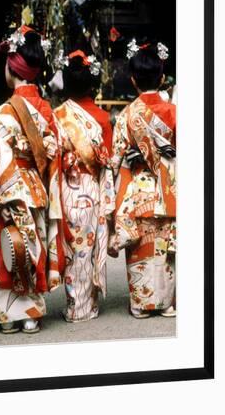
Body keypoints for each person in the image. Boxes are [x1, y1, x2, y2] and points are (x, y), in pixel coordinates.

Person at [0, 26, 65, 334]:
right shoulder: (49, 112)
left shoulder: (3, 112)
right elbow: (55, 154)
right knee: (34, 249)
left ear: (12, 68)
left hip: (9, 190)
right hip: (37, 189)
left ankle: (9, 317)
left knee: (10, 252)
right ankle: (32, 314)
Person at [110, 40, 176, 319]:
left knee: (140, 244)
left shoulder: (127, 115)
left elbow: (115, 159)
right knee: (164, 245)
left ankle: (141, 303)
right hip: (169, 187)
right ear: (162, 78)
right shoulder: (174, 112)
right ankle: (167, 303)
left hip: (138, 188)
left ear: (133, 80)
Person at [54, 50, 115, 322]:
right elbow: (109, 159)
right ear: (93, 83)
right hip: (91, 189)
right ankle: (86, 304)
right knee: (87, 248)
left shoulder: (58, 115)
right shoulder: (102, 118)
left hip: (66, 188)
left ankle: (75, 304)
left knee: (72, 249)